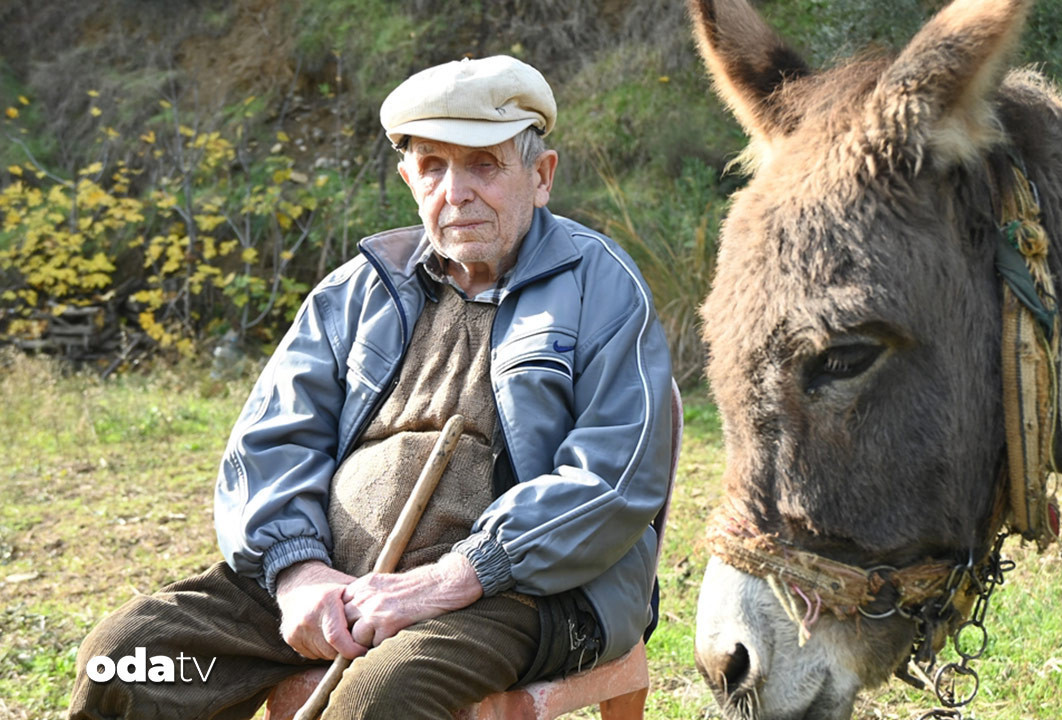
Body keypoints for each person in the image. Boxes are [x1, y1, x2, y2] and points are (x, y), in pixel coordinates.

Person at [68, 55, 673, 719]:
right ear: (408, 177)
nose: (456, 191)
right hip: (336, 583)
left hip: (521, 591)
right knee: (127, 657)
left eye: (484, 165)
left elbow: (613, 479)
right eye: (433, 166)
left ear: (542, 174)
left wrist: (448, 580)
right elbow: (272, 442)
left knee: (377, 701)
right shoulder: (356, 290)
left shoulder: (603, 287)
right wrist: (299, 573)